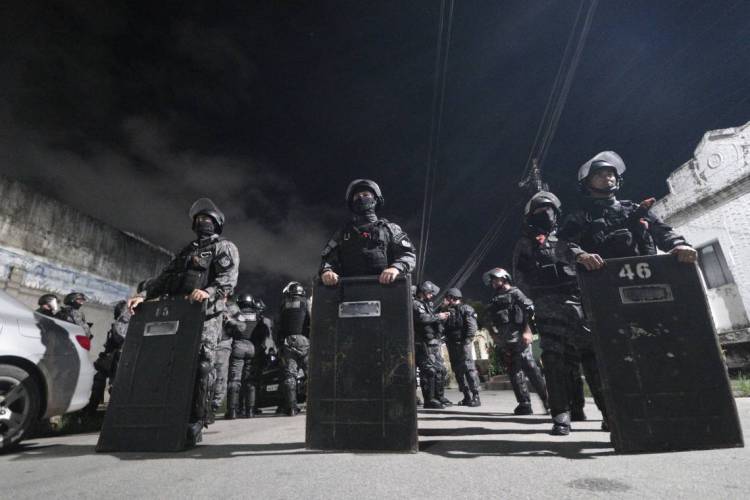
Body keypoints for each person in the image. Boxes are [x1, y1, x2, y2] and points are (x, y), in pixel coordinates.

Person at [555, 151, 696, 431]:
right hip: (604, 296)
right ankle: (617, 415)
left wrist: (678, 245)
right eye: (600, 174)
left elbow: (664, 231)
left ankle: (668, 412)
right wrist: (581, 255)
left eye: (610, 173)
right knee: (610, 357)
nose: (607, 177)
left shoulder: (635, 209)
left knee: (657, 349)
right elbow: (562, 246)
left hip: (647, 289)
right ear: (587, 182)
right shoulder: (580, 216)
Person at [126, 198, 239, 446]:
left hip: (206, 316)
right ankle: (165, 415)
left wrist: (208, 292)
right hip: (180, 313)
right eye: (198, 219)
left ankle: (196, 420)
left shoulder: (224, 247)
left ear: (217, 223)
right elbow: (165, 278)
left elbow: (227, 280)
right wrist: (144, 296)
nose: (202, 223)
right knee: (171, 364)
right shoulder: (187, 251)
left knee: (202, 365)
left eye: (207, 219)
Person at [512, 190, 601, 435]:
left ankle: (609, 412)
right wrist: (541, 298)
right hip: (548, 307)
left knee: (592, 358)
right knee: (554, 362)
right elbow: (520, 279)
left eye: (549, 209)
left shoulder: (570, 238)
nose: (546, 214)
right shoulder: (526, 243)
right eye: (540, 211)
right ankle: (561, 416)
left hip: (578, 305)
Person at [320, 179, 416, 285]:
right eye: (357, 196)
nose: (361, 197)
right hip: (349, 292)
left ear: (375, 199)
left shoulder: (389, 229)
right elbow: (328, 259)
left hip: (386, 291)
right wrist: (327, 271)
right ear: (352, 202)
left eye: (366, 194)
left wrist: (395, 268)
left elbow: (408, 255)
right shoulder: (342, 233)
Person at [483, 267, 549, 415]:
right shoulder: (495, 299)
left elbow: (529, 311)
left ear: (504, 278)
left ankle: (548, 401)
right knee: (514, 372)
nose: (493, 283)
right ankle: (524, 404)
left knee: (531, 369)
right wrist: (493, 334)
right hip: (506, 341)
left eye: (495, 279)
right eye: (492, 280)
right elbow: (487, 318)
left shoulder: (515, 293)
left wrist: (527, 331)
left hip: (520, 338)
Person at [224, 293, 272, 419]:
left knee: (234, 380)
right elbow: (264, 333)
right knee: (251, 381)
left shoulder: (237, 314)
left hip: (238, 347)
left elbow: (228, 330)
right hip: (253, 348)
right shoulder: (258, 315)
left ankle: (232, 411)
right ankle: (250, 411)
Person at [85, 300, 130, 415]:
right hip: (113, 355)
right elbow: (117, 339)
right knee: (102, 380)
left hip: (118, 356)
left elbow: (121, 338)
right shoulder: (121, 321)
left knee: (114, 385)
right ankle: (93, 409)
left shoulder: (123, 321)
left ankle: (115, 411)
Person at [276, 281, 311, 416]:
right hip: (304, 340)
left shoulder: (283, 305)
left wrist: (280, 343)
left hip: (287, 341)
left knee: (289, 376)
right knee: (310, 374)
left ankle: (291, 408)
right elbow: (312, 320)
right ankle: (313, 405)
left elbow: (278, 326)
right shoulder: (305, 302)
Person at [413, 281, 450, 409]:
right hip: (423, 342)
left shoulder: (426, 304)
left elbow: (431, 318)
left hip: (433, 341)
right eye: (429, 293)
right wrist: (438, 316)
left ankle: (438, 397)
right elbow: (423, 319)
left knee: (440, 370)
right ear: (422, 291)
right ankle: (430, 399)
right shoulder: (416, 304)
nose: (431, 295)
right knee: (429, 371)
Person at [442, 288, 481, 407]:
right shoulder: (449, 311)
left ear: (453, 298)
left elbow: (472, 327)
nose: (446, 300)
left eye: (448, 298)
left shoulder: (466, 309)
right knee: (458, 370)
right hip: (452, 344)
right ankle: (466, 396)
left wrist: (467, 341)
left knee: (468, 369)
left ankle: (475, 396)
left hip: (463, 343)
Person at [209, 296, 238, 423]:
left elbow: (241, 326)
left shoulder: (232, 307)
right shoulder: (209, 303)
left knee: (220, 377)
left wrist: (231, 321)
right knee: (205, 377)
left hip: (222, 346)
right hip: (207, 344)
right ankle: (201, 408)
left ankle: (213, 408)